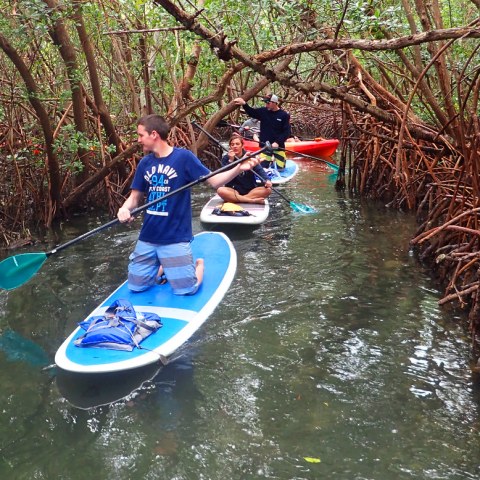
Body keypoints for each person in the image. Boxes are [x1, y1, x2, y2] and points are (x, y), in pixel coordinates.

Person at [117, 114, 262, 295]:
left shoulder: (183, 158)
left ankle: (198, 265)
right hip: (148, 236)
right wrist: (124, 209)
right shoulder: (145, 163)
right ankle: (163, 266)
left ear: (153, 134)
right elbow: (134, 197)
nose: (138, 140)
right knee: (137, 287)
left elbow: (215, 181)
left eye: (140, 135)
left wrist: (238, 168)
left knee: (187, 290)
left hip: (175, 238)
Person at [233, 93, 291, 170]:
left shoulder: (284, 115)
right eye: (266, 103)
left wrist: (277, 142)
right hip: (265, 147)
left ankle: (277, 165)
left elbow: (287, 132)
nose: (266, 105)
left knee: (281, 169)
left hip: (278, 147)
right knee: (263, 169)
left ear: (274, 103)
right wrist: (244, 104)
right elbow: (251, 112)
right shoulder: (263, 111)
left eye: (268, 103)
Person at [217, 134, 272, 204]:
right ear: (230, 147)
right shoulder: (226, 158)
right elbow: (224, 176)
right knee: (220, 190)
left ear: (242, 146)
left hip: (250, 190)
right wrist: (231, 161)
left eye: (237, 144)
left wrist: (267, 180)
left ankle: (238, 199)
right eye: (232, 144)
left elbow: (260, 170)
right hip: (233, 190)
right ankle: (250, 200)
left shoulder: (249, 156)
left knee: (268, 190)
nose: (235, 146)